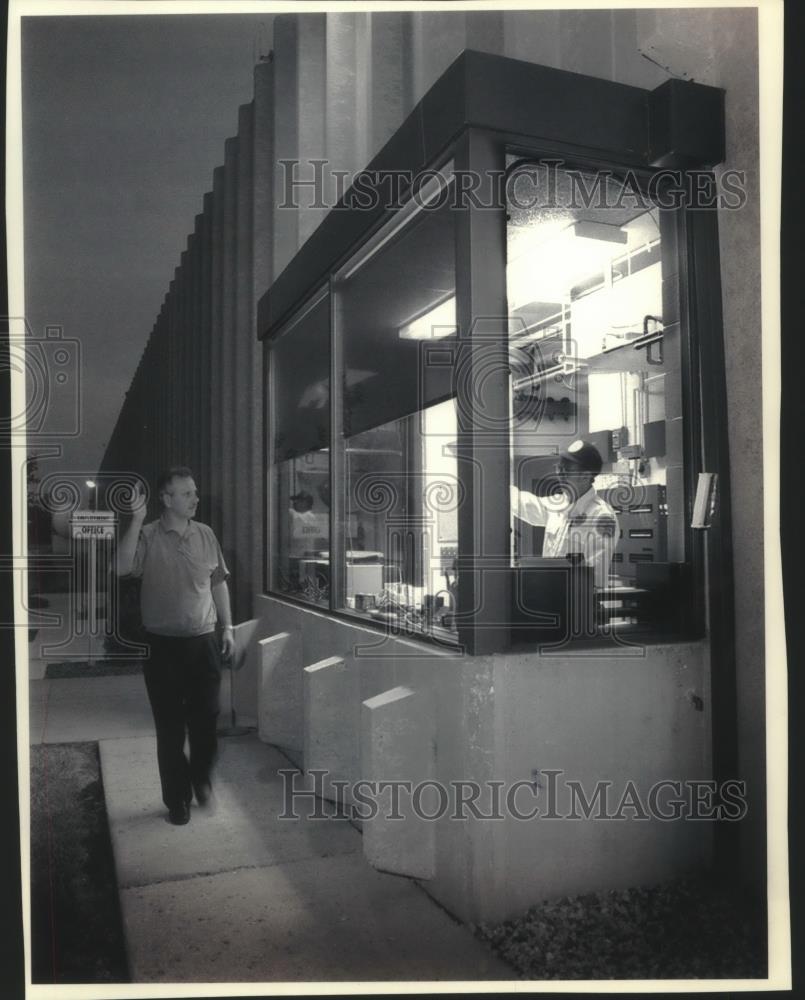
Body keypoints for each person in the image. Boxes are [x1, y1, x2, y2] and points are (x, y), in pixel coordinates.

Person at [116, 466, 235, 826]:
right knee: (169, 728)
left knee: (207, 721)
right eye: (186, 493)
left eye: (195, 492)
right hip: (162, 647)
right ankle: (177, 799)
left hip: (203, 643)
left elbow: (218, 584)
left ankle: (201, 779)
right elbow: (122, 568)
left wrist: (228, 626)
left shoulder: (206, 534)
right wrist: (135, 521)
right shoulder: (149, 536)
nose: (195, 498)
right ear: (166, 499)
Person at [510, 439, 619, 589]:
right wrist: (497, 480)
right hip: (550, 595)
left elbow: (595, 574)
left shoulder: (602, 516)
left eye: (566, 469)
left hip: (579, 600)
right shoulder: (558, 505)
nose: (559, 474)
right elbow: (523, 503)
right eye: (558, 468)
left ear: (585, 476)